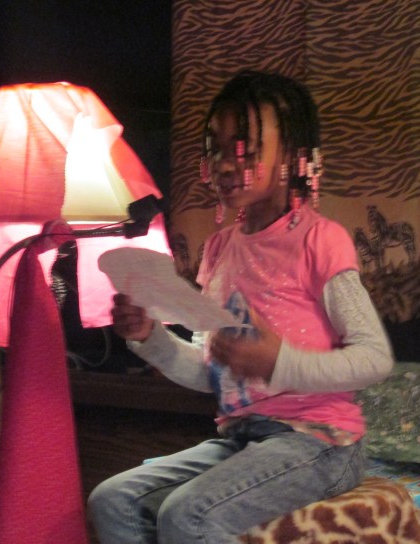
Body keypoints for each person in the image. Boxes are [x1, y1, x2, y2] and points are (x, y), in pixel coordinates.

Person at [88, 70, 394, 544]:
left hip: (320, 441)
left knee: (187, 515)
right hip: (243, 437)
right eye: (215, 147)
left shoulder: (320, 240)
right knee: (112, 500)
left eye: (245, 149)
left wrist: (279, 363)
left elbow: (375, 358)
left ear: (292, 155)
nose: (225, 164)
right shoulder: (218, 250)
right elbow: (209, 372)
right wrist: (151, 337)